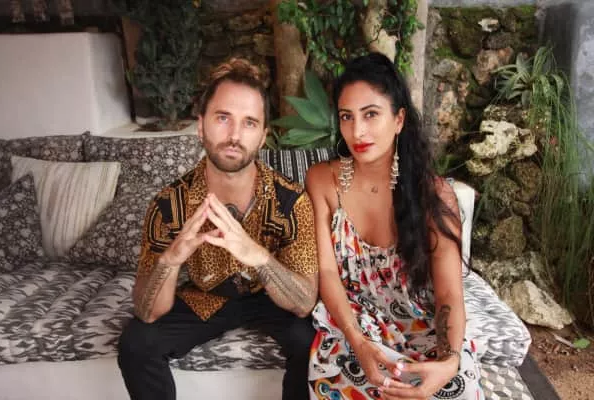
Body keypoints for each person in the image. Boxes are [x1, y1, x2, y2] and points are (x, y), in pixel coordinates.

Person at [117, 58, 319, 400]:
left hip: (271, 297)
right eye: (223, 118)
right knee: (137, 343)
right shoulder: (169, 205)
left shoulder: (291, 201)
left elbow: (303, 303)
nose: (235, 136)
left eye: (249, 123)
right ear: (201, 126)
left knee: (310, 341)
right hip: (205, 296)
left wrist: (259, 257)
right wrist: (170, 260)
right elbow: (147, 312)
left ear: (263, 137)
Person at [306, 52, 483, 400]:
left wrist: (449, 361)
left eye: (371, 114)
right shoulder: (323, 181)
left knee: (456, 389)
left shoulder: (434, 196)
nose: (357, 131)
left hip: (424, 323)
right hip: (353, 324)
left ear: (399, 119)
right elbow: (326, 273)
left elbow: (449, 294)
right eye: (346, 116)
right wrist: (358, 342)